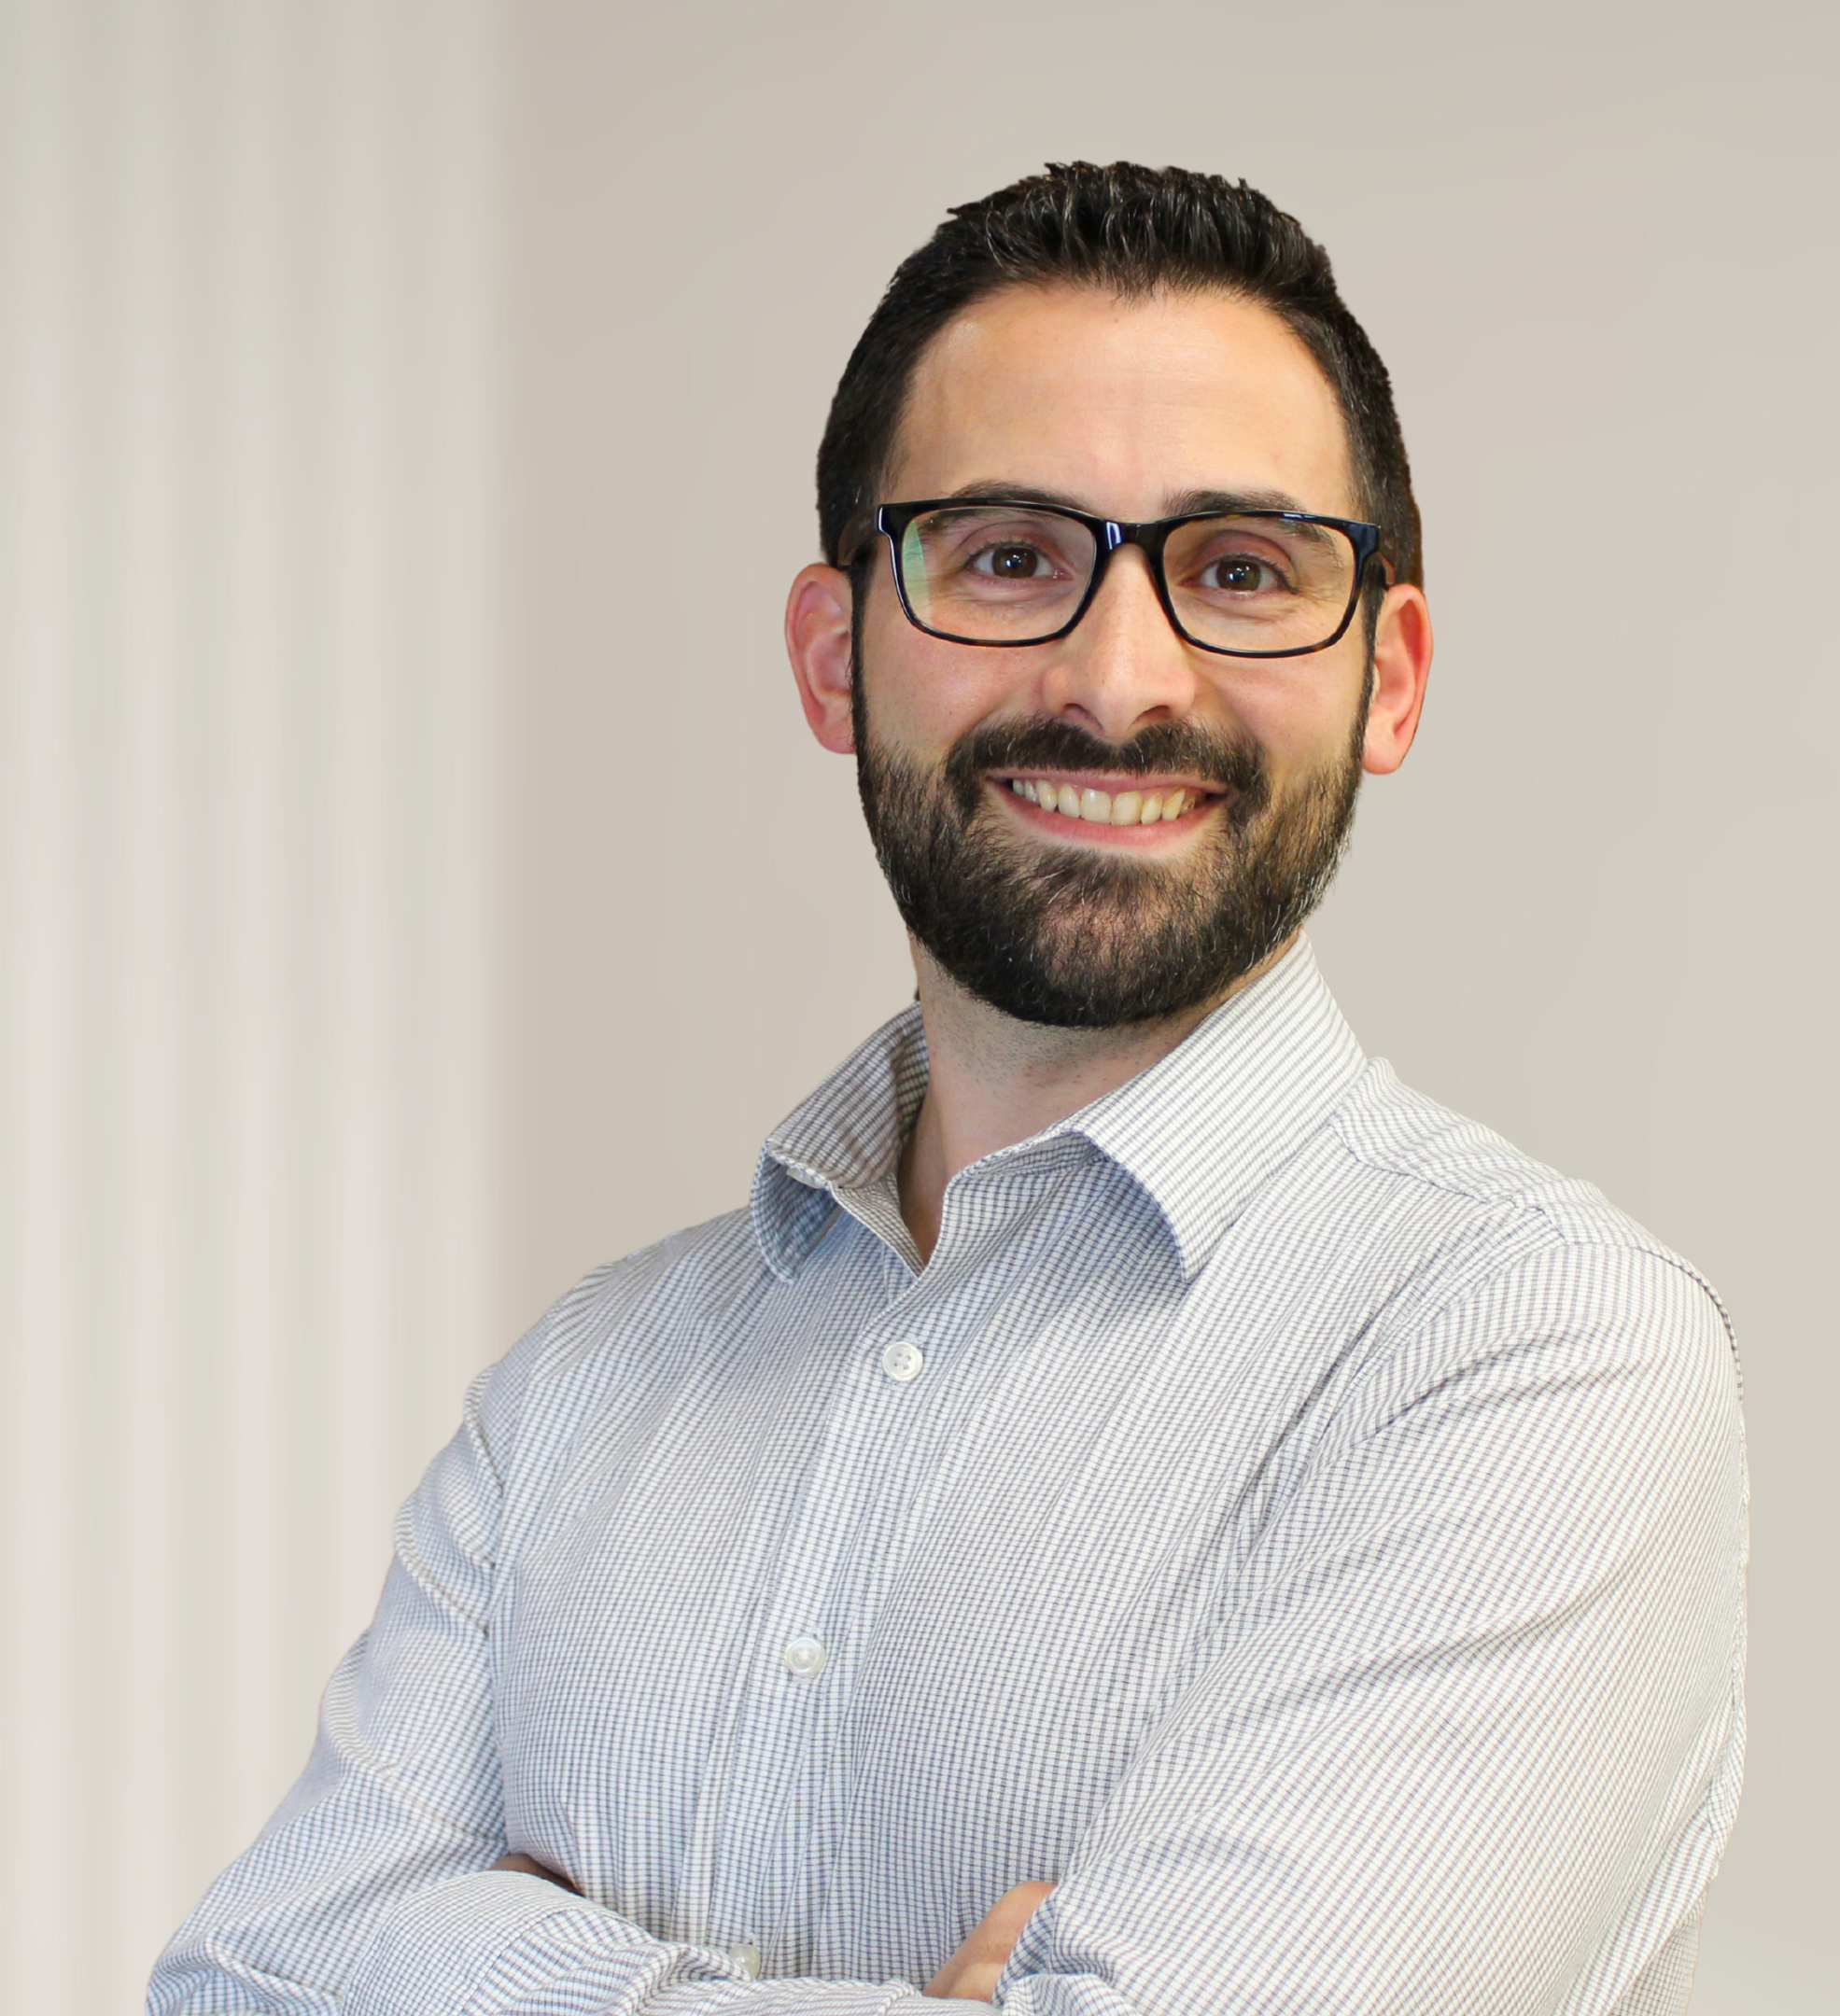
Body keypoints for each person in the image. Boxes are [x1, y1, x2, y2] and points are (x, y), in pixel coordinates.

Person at [150, 161, 1746, 2016]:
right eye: (1005, 557)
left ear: (1387, 680)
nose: (1120, 678)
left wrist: (484, 1953)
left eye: (1240, 573)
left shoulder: (1537, 1354)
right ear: (838, 657)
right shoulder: (581, 1397)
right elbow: (244, 1976)